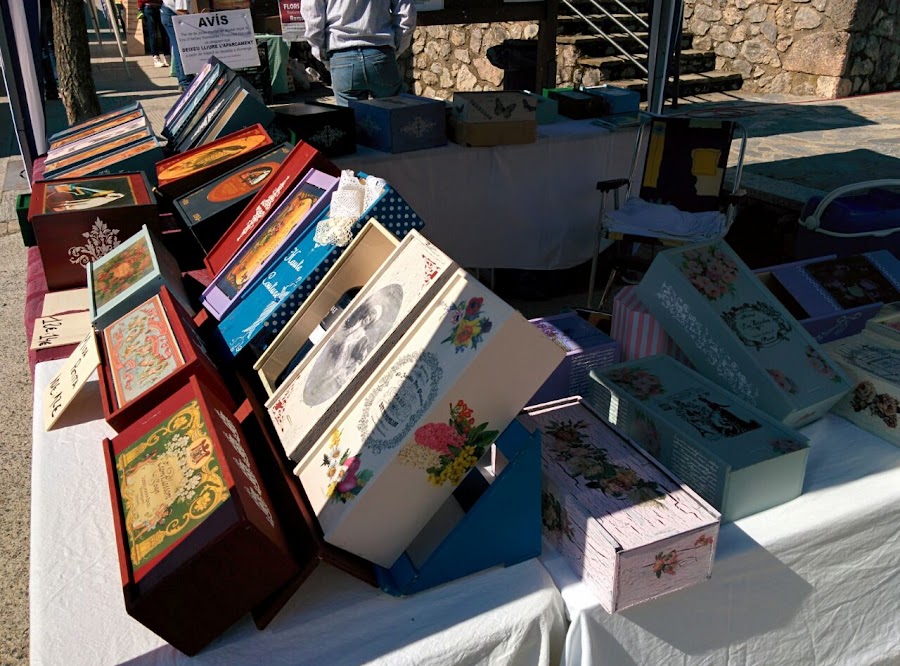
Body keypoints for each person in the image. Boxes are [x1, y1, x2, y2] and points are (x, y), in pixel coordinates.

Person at [300, 0, 416, 106]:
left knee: (350, 118)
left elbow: (313, 20)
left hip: (341, 55)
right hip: (380, 51)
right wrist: (396, 49)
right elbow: (406, 16)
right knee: (394, 113)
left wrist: (323, 55)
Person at [159, 0, 191, 91]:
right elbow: (181, 10)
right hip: (173, 13)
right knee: (181, 49)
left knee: (178, 48)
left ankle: (183, 81)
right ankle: (186, 82)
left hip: (168, 11)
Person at [138, 0, 169, 69]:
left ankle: (166, 56)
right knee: (153, 34)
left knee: (164, 33)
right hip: (150, 7)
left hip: (160, 6)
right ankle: (156, 57)